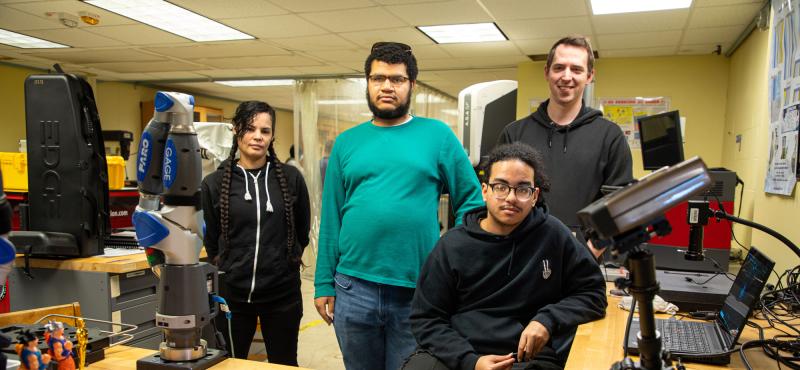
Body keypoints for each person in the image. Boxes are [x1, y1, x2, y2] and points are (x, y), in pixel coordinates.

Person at [314, 42, 484, 370]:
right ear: (367, 82)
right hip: (353, 286)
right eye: (378, 78)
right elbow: (332, 216)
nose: (387, 86)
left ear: (412, 85)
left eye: (397, 79)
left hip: (416, 289)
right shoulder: (347, 142)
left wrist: (453, 259)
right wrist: (323, 282)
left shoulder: (437, 135)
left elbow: (471, 202)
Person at [406, 143, 607, 370]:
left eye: (522, 189)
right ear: (485, 191)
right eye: (501, 187)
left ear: (534, 195)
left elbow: (593, 293)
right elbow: (426, 319)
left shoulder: (553, 235)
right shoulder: (452, 245)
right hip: (459, 353)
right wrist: (471, 362)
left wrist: (547, 320)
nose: (511, 198)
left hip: (526, 357)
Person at [497, 35, 633, 258]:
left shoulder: (609, 136)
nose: (566, 77)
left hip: (583, 260)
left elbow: (619, 204)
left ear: (589, 76)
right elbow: (499, 196)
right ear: (547, 72)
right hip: (520, 257)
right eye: (559, 67)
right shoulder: (514, 133)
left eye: (576, 69)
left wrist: (588, 253)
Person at [201, 100, 311, 365]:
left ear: (272, 136)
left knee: (283, 363)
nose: (258, 137)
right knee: (229, 363)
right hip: (232, 297)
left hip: (282, 295)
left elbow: (302, 231)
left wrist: (283, 263)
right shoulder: (214, 184)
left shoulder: (290, 178)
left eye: (265, 131)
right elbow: (212, 238)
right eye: (251, 129)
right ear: (237, 130)